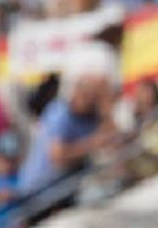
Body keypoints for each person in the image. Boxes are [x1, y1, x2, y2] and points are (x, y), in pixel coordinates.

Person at [16, 42, 121, 196]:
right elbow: (57, 156)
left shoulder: (93, 114)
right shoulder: (59, 112)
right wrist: (92, 144)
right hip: (41, 192)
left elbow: (114, 143)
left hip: (67, 189)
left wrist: (105, 108)